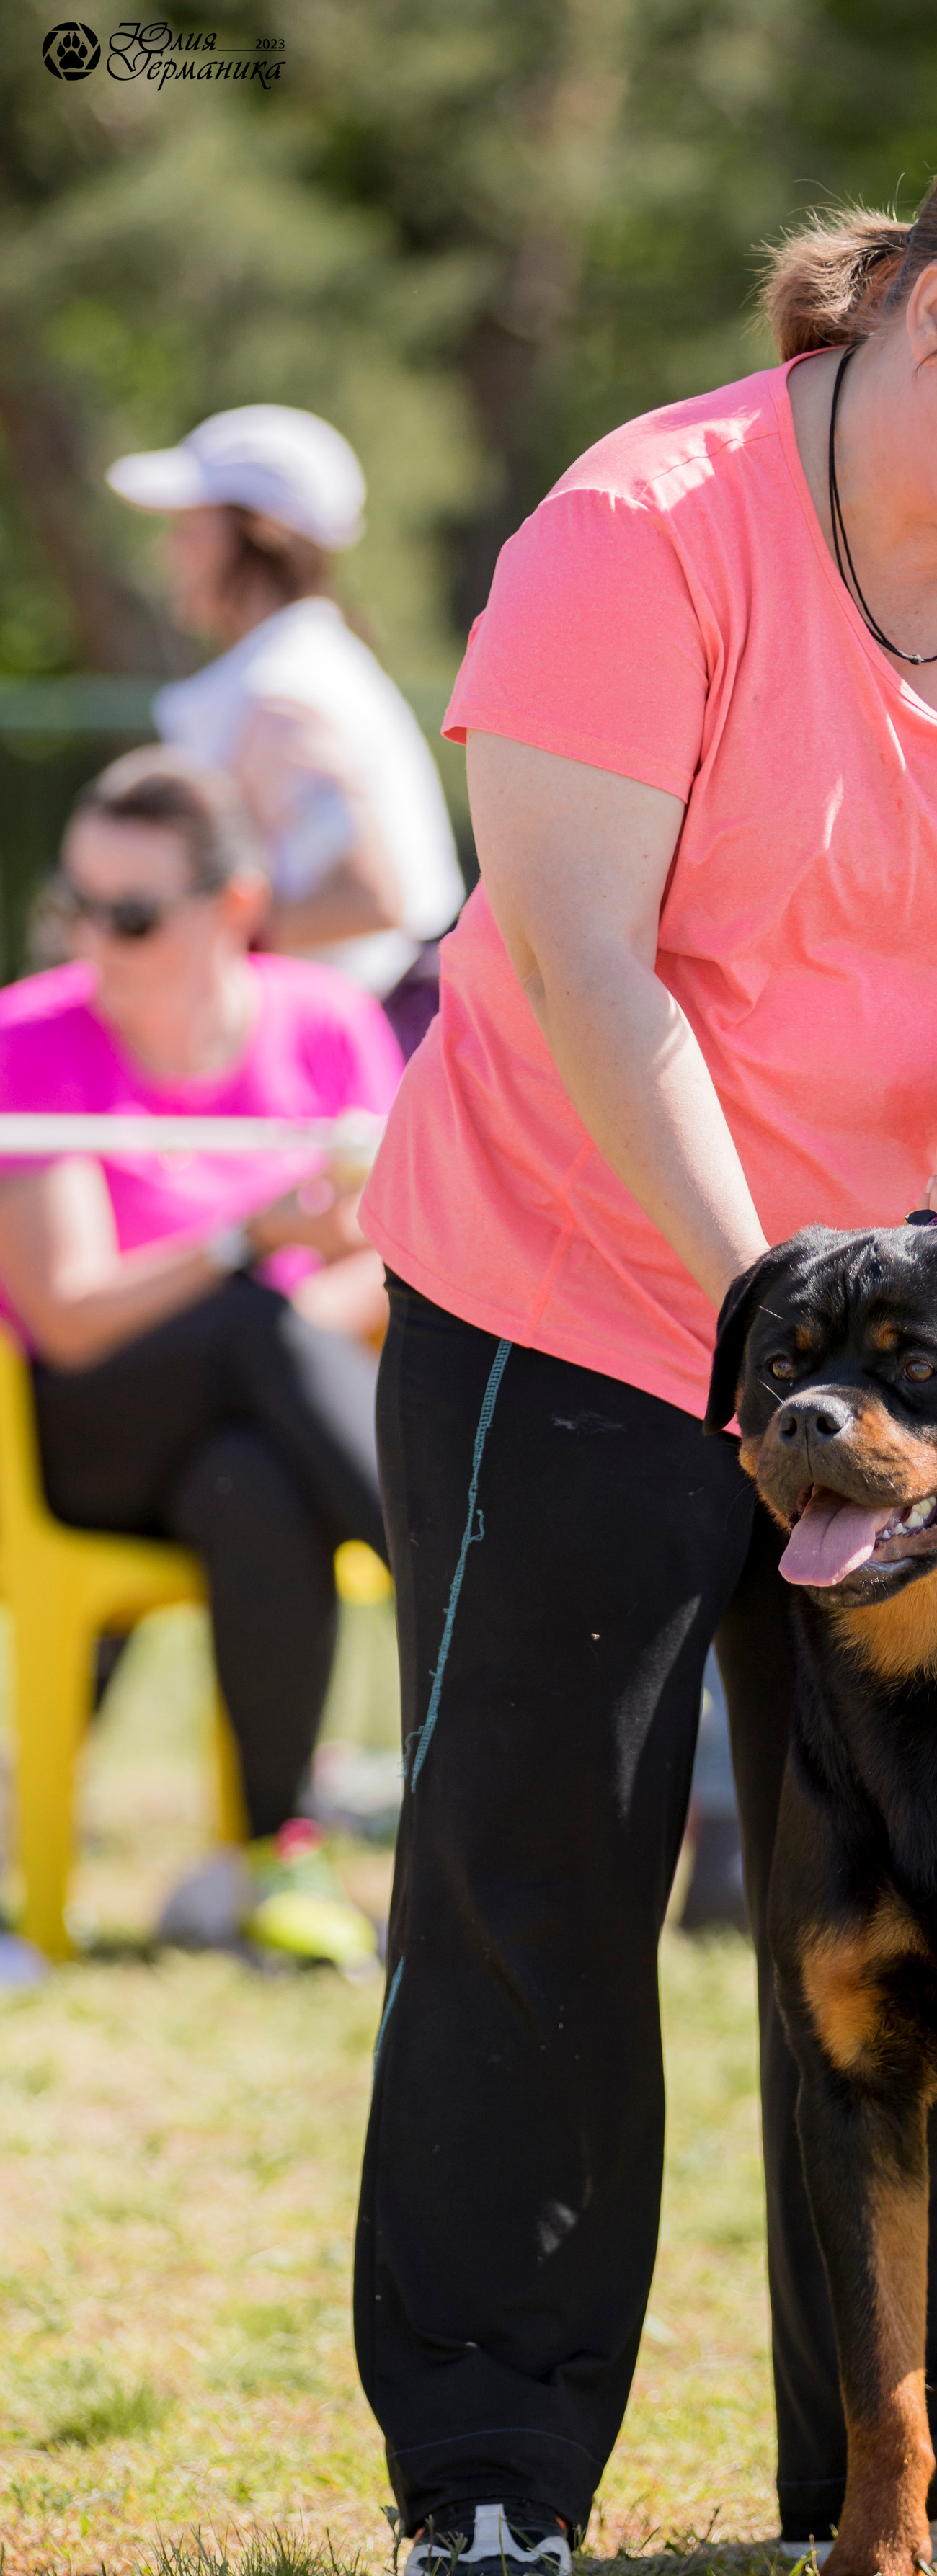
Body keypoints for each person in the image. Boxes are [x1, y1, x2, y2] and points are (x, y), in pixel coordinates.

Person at [352, 99, 937, 2576]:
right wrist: (777, 1342)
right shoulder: (638, 538)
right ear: (929, 311)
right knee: (544, 1864)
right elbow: (582, 961)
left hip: (902, 1344)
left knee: (927, 1865)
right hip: (576, 1284)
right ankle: (494, 2465)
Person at [0, 750, 401, 1971]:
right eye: (76, 903)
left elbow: (397, 1256)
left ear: (232, 907)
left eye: (129, 912)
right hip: (85, 1432)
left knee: (253, 1482)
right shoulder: (33, 1038)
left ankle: (276, 1862)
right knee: (242, 1316)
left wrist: (285, 1313)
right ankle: (465, 1592)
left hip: (259, 1418)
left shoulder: (326, 1021)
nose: (92, 937)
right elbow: (68, 1313)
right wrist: (249, 1242)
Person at [106, 406, 466, 1053]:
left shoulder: (281, 690)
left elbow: (368, 895)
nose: (169, 553)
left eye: (191, 526)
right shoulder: (296, 668)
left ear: (260, 532)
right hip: (374, 1029)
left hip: (371, 1043)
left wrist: (176, 935)